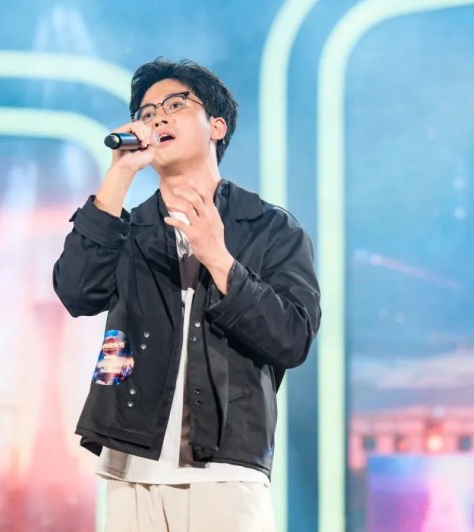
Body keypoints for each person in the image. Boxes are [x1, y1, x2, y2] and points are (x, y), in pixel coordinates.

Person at [52, 58, 321, 532]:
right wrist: (119, 176)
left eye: (175, 105)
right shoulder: (128, 228)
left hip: (226, 468)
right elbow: (76, 292)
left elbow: (292, 337)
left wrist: (220, 259)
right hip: (130, 463)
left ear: (217, 126)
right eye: (147, 111)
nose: (158, 117)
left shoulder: (271, 229)